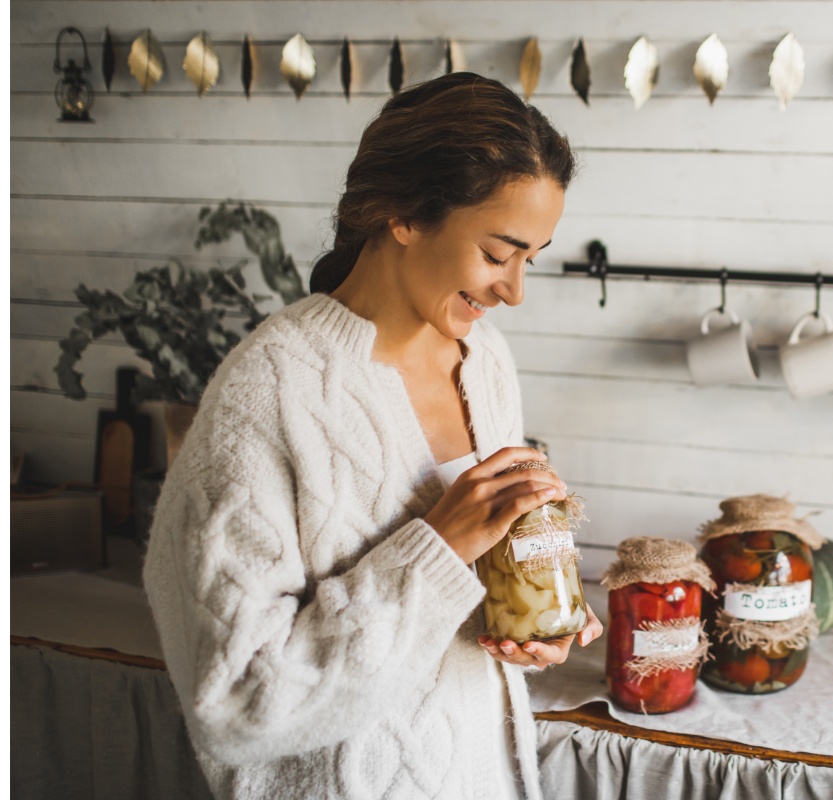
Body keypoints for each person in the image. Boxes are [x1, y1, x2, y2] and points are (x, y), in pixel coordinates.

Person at [142, 72, 603, 800]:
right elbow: (234, 704)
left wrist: (526, 613)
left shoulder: (486, 363)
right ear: (402, 215)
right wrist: (439, 550)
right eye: (497, 253)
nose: (515, 290)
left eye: (531, 258)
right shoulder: (268, 390)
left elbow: (453, 603)